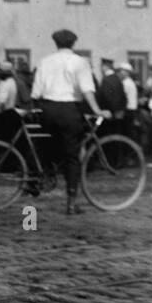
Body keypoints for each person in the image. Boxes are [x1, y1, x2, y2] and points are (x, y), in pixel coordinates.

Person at [31, 28, 105, 215]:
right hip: (69, 110)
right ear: (73, 43)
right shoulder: (80, 62)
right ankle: (71, 202)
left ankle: (43, 175)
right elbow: (87, 88)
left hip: (47, 109)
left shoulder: (44, 61)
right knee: (72, 156)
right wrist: (97, 110)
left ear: (55, 43)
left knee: (47, 145)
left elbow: (36, 92)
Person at [0, 60, 21, 145]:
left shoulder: (5, 84)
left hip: (5, 115)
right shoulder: (11, 82)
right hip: (9, 113)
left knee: (2, 141)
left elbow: (1, 103)